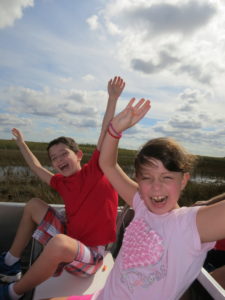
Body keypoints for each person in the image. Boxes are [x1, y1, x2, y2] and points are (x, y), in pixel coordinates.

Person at [48, 97, 225, 300]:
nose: (156, 187)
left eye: (167, 177)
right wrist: (114, 130)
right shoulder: (141, 203)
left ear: (184, 180)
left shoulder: (190, 224)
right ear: (138, 181)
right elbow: (107, 164)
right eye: (147, 178)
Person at [0, 76, 125, 300]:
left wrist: (112, 98)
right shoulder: (61, 181)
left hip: (91, 256)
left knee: (59, 243)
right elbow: (36, 166)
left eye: (64, 154)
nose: (59, 160)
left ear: (78, 155)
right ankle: (10, 263)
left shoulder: (96, 169)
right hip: (70, 241)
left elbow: (106, 133)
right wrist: (21, 143)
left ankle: (12, 292)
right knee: (33, 205)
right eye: (54, 158)